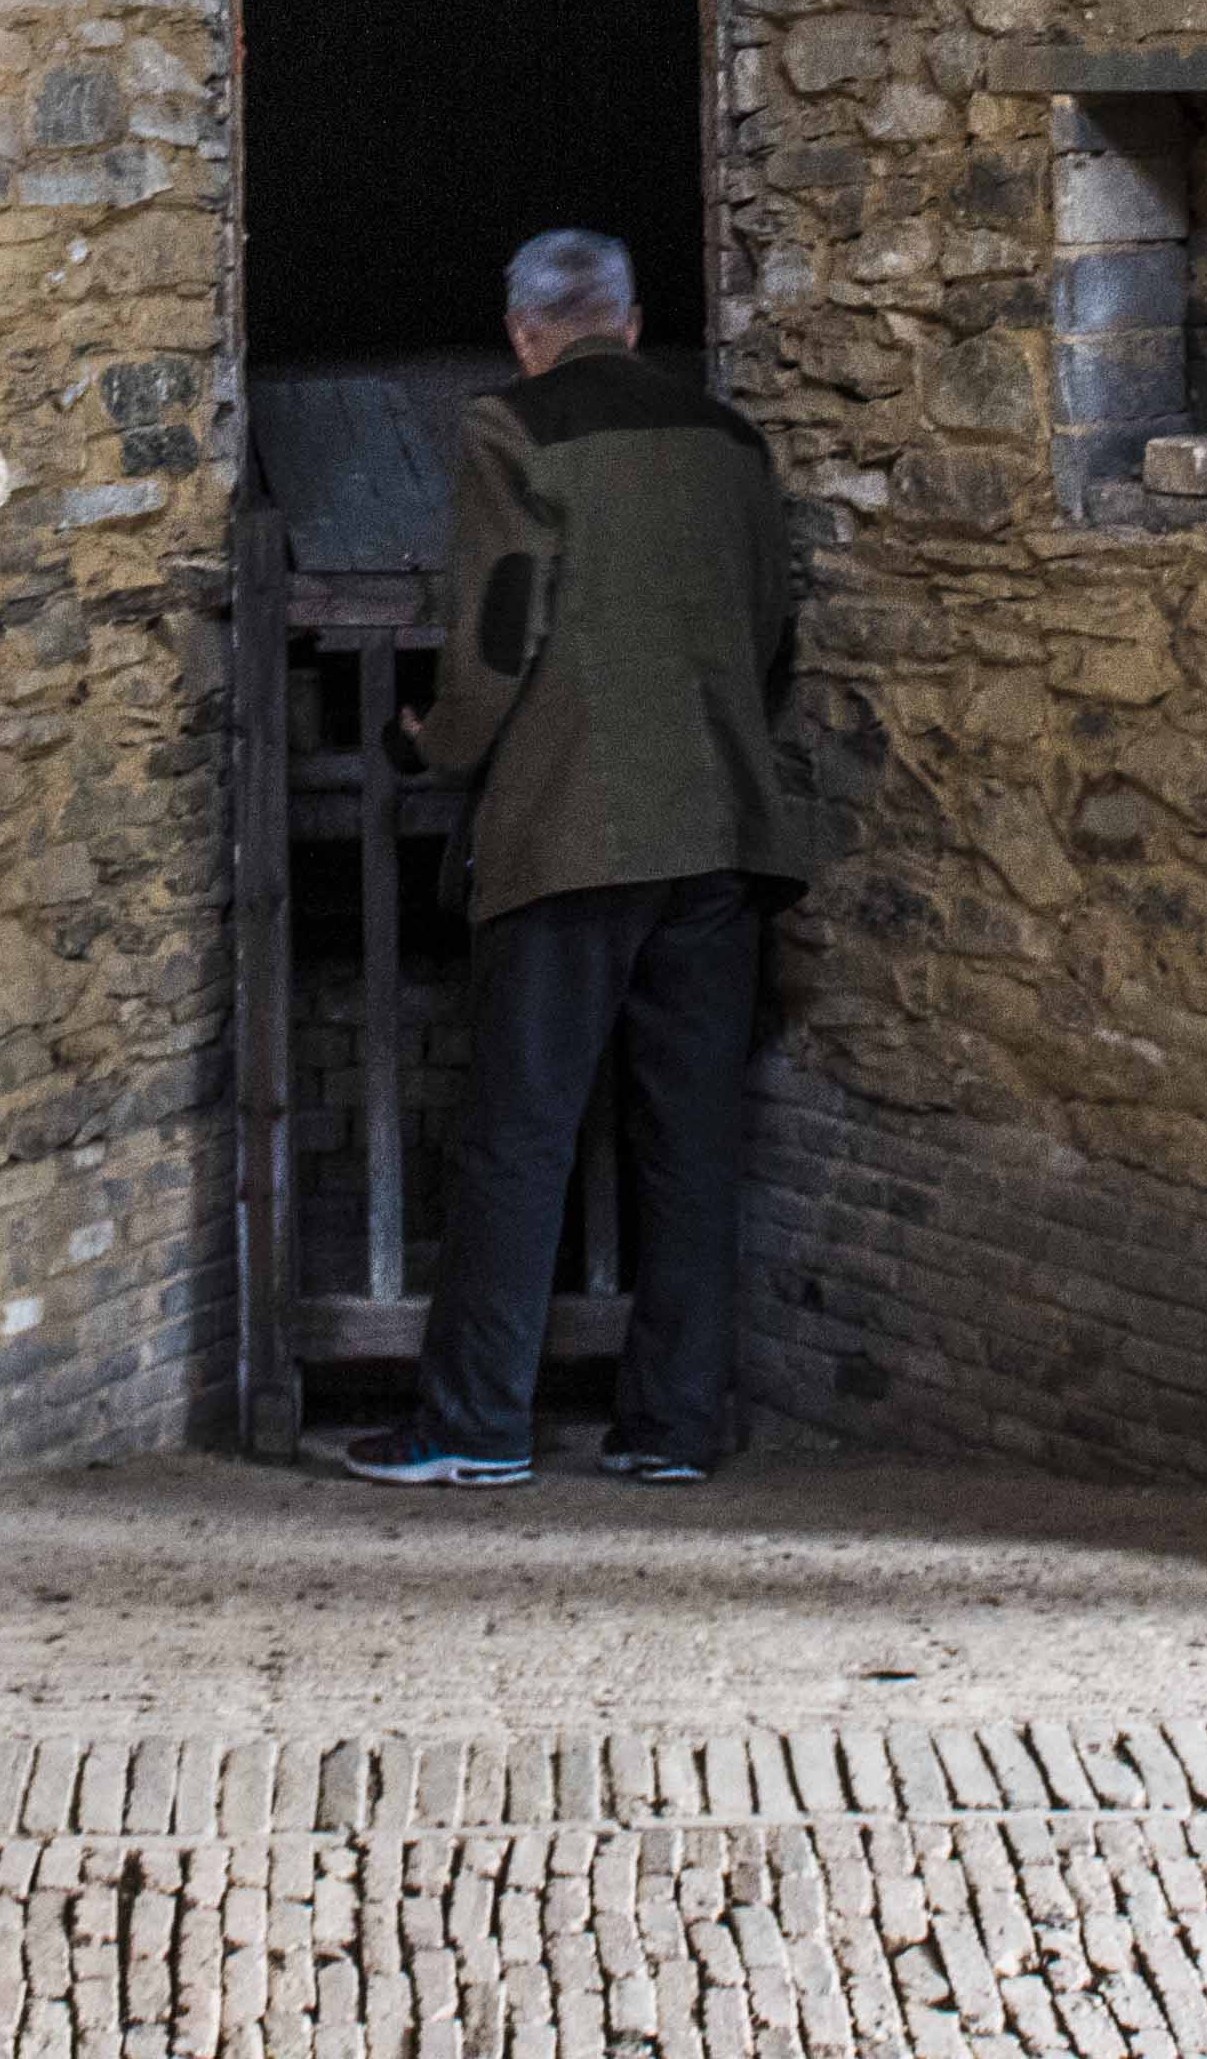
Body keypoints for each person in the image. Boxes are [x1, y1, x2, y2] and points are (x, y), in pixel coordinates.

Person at [342, 227, 826, 1493]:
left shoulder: (512, 431)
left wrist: (430, 742)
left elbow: (501, 630)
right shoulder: (733, 444)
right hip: (718, 828)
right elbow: (771, 622)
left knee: (520, 1132)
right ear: (633, 316)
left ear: (522, 331)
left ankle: (475, 1423)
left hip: (570, 830)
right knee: (690, 1134)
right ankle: (672, 1424)